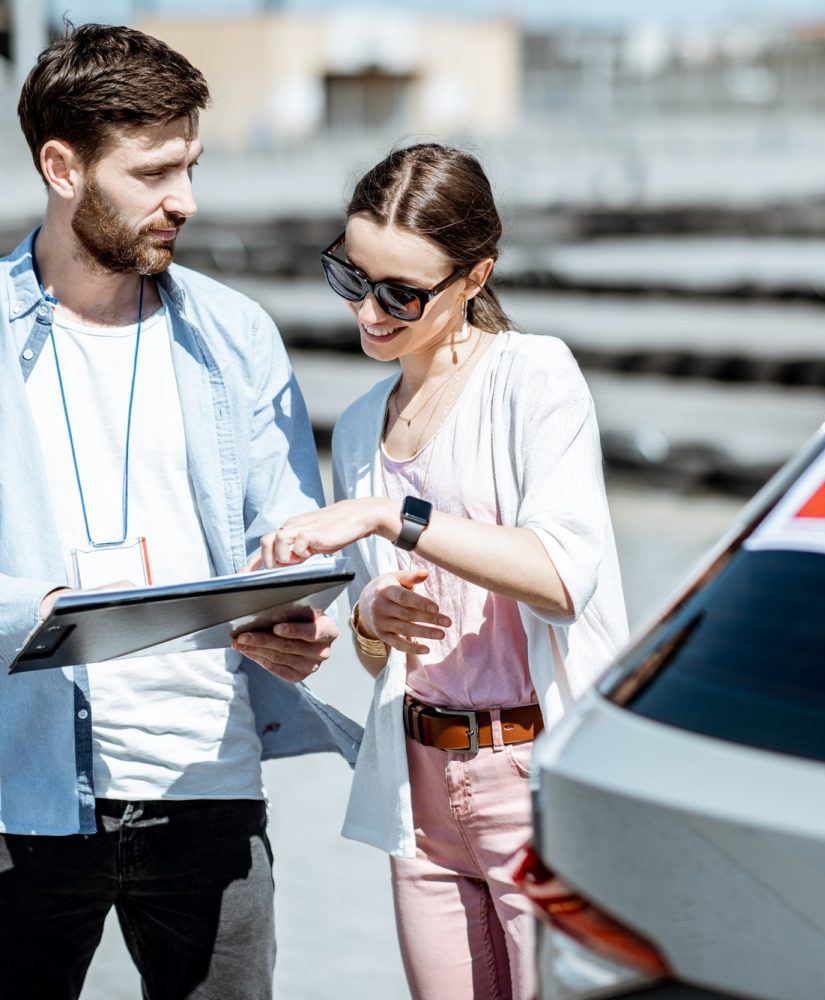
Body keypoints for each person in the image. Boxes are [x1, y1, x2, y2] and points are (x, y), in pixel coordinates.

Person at [0, 22, 361, 1000]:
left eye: (192, 165)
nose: (186, 201)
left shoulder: (237, 334)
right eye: (155, 171)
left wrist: (297, 617)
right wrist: (36, 605)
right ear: (61, 165)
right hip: (21, 797)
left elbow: (283, 529)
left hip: (209, 789)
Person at [251, 143, 629, 1000]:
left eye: (401, 294)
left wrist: (396, 517)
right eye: (352, 278)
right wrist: (371, 620)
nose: (370, 314)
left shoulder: (534, 378)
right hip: (417, 787)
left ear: (474, 277)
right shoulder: (357, 427)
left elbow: (565, 575)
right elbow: (377, 657)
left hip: (536, 776)